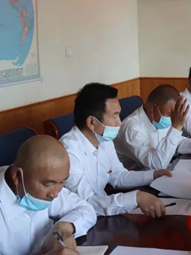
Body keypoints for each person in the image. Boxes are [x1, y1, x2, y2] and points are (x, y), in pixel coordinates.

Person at [0, 135, 96, 255]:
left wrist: (65, 227)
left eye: (62, 182)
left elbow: (86, 209)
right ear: (17, 176)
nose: (55, 194)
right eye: (48, 184)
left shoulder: (43, 180)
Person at [60, 83, 171, 217]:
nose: (120, 122)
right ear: (92, 122)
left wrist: (153, 175)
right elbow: (86, 202)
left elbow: (118, 176)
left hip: (103, 211)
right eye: (115, 116)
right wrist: (135, 198)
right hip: (79, 218)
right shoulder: (68, 152)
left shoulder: (103, 139)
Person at [115, 84, 191, 170]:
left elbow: (176, 142)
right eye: (170, 114)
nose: (172, 118)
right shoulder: (132, 128)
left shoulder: (157, 118)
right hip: (135, 176)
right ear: (154, 109)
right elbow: (157, 165)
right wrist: (176, 127)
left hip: (156, 170)